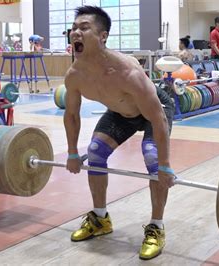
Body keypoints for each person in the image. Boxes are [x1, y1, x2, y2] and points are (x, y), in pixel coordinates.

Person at [64, 6, 175, 260]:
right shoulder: (75, 75)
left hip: (153, 111)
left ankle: (156, 227)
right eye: (74, 28)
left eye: (84, 28)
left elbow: (157, 117)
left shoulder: (127, 72)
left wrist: (165, 165)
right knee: (94, 152)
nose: (75, 33)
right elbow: (71, 114)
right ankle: (100, 218)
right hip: (120, 112)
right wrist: (72, 152)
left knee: (152, 157)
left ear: (103, 36)